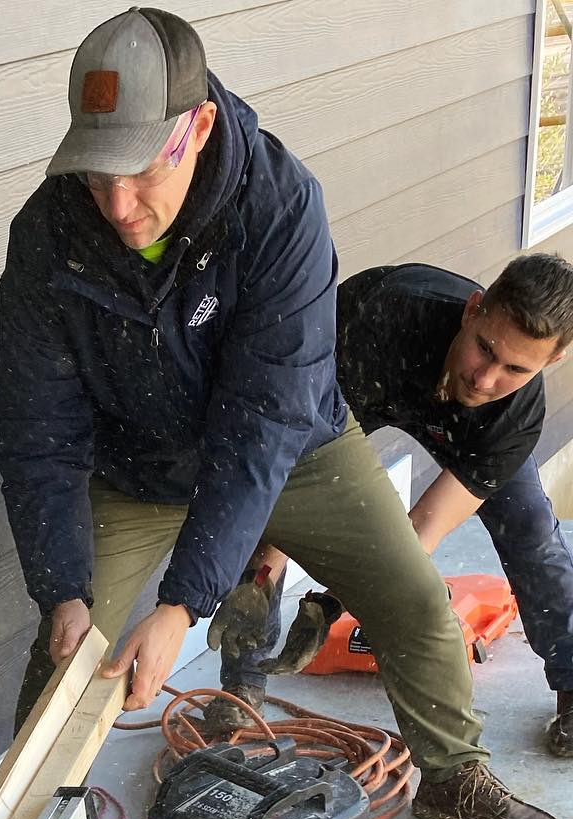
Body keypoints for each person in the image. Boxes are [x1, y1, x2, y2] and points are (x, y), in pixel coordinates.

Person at [0, 6, 561, 819]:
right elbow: (35, 430)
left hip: (296, 446)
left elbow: (259, 426)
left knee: (415, 605)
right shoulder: (46, 236)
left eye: (143, 170)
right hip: (139, 463)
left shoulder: (281, 207)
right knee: (67, 659)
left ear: (201, 126)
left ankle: (451, 779)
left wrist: (185, 603)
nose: (117, 204)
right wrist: (62, 591)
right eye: (95, 171)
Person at [213, 254, 573, 759]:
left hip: (470, 432)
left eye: (515, 368)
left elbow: (421, 528)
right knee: (267, 526)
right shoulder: (381, 320)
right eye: (484, 349)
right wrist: (267, 567)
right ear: (472, 311)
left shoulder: (515, 414)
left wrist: (332, 603)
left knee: (532, 529)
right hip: (364, 378)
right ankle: (240, 688)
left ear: (549, 362)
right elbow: (290, 467)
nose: (486, 378)